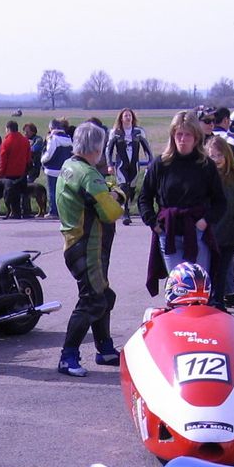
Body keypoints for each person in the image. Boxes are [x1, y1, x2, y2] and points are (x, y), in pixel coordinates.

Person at [55, 122, 124, 377]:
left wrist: (108, 191)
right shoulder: (89, 175)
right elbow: (111, 212)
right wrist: (117, 194)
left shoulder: (69, 166)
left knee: (104, 296)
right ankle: (68, 356)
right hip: (88, 246)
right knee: (93, 299)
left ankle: (104, 349)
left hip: (74, 243)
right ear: (97, 148)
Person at [140, 111, 225, 290]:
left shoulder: (206, 165)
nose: (183, 139)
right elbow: (144, 197)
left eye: (187, 135)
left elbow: (220, 202)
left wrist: (205, 221)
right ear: (173, 135)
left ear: (196, 137)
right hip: (169, 233)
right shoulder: (160, 164)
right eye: (179, 134)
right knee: (179, 288)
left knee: (199, 288)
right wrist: (153, 223)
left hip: (197, 233)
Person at [205, 135, 234, 309]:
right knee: (214, 270)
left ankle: (219, 301)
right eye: (212, 156)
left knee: (223, 269)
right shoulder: (207, 177)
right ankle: (215, 303)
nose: (216, 159)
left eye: (219, 155)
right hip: (213, 232)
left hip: (231, 232)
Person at [105, 108, 151, 225]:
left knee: (132, 188)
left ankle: (128, 207)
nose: (128, 117)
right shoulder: (115, 132)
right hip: (121, 165)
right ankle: (125, 212)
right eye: (125, 115)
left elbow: (147, 148)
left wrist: (150, 161)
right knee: (123, 187)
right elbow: (108, 150)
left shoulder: (139, 132)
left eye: (129, 115)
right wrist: (110, 164)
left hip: (134, 165)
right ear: (121, 118)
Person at [0, 119, 33, 218]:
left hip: (10, 173)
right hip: (22, 171)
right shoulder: (25, 140)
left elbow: (3, 160)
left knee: (13, 194)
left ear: (8, 129)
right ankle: (26, 211)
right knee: (24, 192)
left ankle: (16, 213)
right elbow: (28, 157)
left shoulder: (6, 142)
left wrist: (1, 173)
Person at [41, 118, 75, 221]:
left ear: (51, 127)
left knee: (52, 191)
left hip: (53, 169)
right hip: (66, 168)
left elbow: (49, 154)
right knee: (64, 191)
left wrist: (42, 160)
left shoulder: (53, 138)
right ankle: (64, 211)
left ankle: (53, 212)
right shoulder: (68, 138)